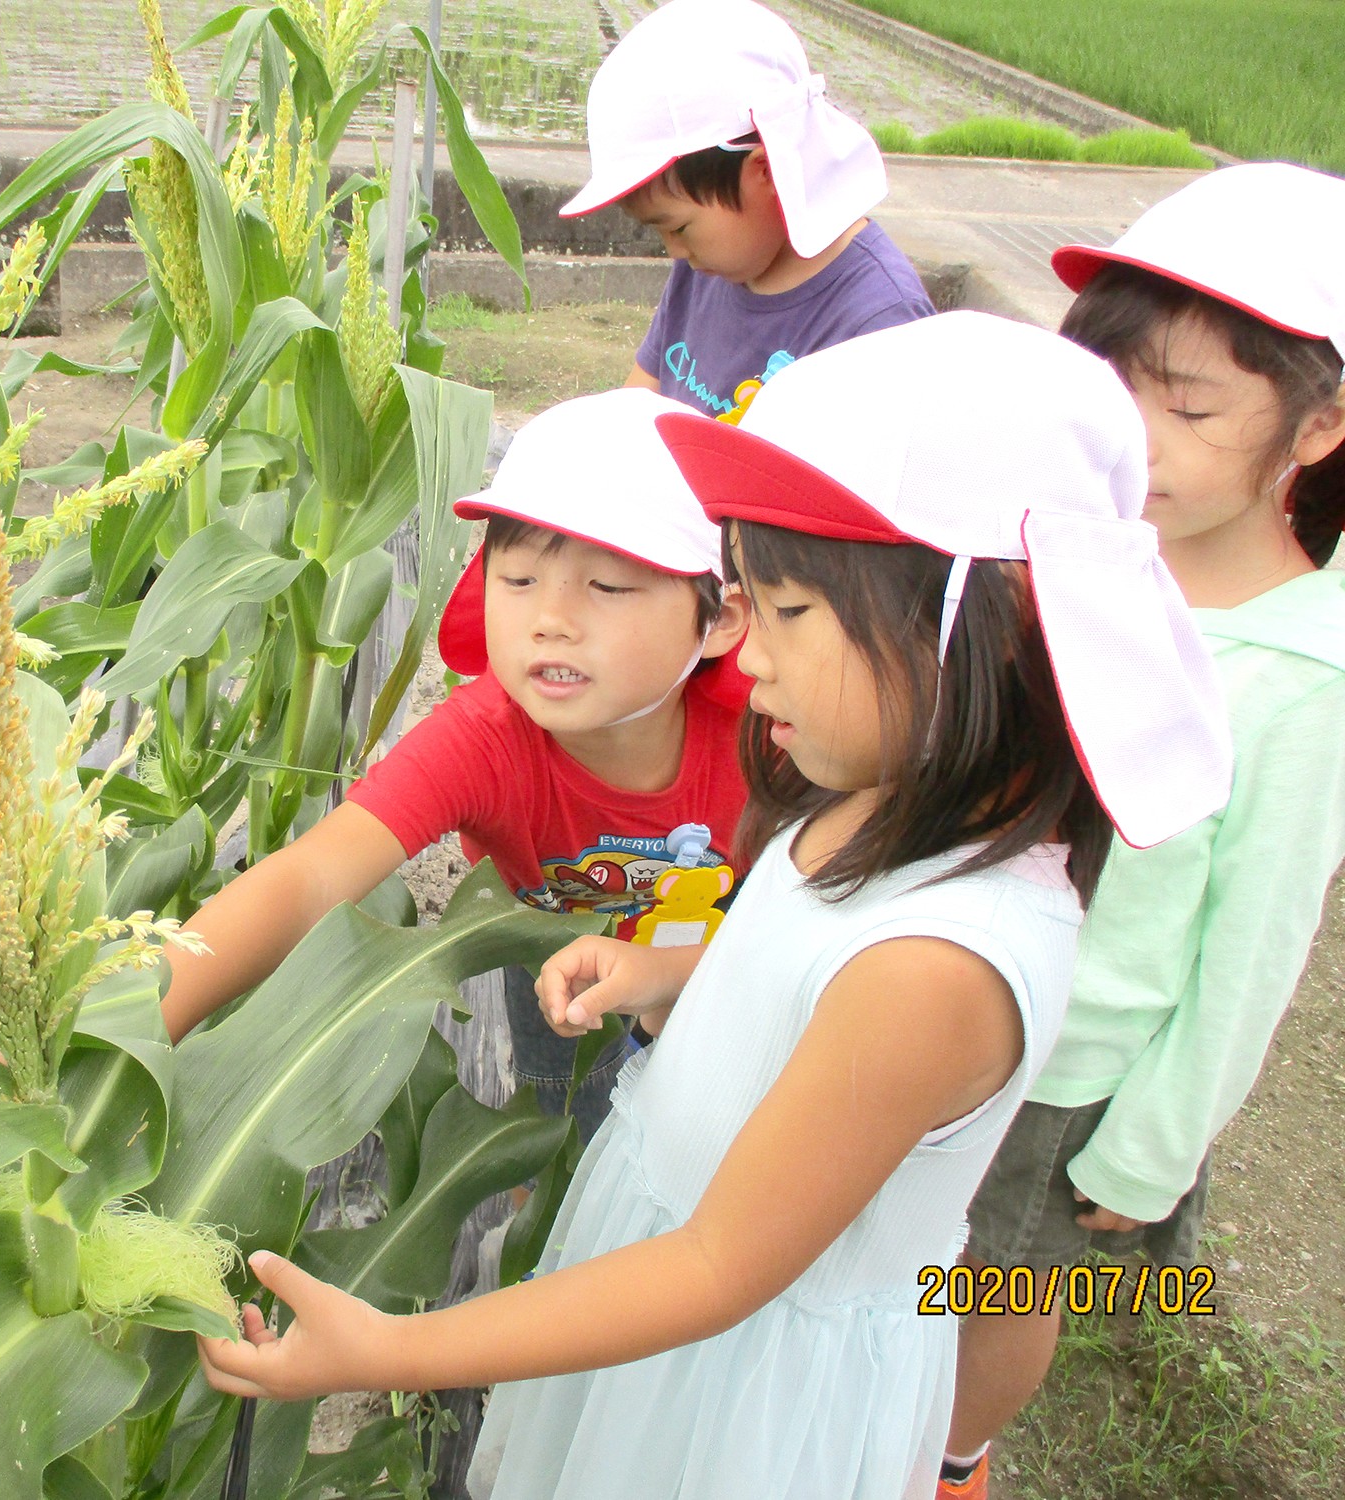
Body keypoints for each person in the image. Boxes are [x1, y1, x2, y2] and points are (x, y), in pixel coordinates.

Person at [195, 312, 1233, 1500]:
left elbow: (713, 1266)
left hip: (727, 1389)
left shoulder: (940, 968)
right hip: (662, 1308)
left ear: (980, 632)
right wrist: (674, 975)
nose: (749, 664)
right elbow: (796, 968)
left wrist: (383, 1351)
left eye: (786, 616)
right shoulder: (867, 796)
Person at [940, 163, 1345, 1500]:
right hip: (954, 994)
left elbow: (1258, 938)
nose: (1139, 435)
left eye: (1188, 404)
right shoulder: (1083, 549)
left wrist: (1155, 1143)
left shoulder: (1300, 677)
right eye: (1114, 390)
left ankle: (950, 1459)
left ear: (1319, 425)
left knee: (993, 1286)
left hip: (1073, 1065)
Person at [159, 388, 752, 1143]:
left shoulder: (773, 739)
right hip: (555, 969)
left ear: (720, 622)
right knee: (563, 1122)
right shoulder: (485, 739)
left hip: (738, 966)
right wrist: (135, 1027)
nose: (552, 620)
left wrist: (678, 976)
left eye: (608, 586)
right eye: (519, 580)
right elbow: (309, 879)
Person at [560, 0, 934, 421]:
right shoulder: (706, 271)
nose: (675, 252)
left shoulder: (878, 321)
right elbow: (631, 416)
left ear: (767, 171)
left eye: (679, 227)